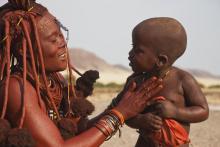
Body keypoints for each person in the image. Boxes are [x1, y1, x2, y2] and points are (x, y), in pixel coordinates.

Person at [0, 1, 163, 147]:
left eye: (60, 34)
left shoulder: (55, 81)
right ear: (24, 50)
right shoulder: (17, 88)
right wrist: (119, 114)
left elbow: (80, 131)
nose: (62, 43)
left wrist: (120, 104)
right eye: (53, 39)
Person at [109, 17, 209, 147]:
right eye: (132, 47)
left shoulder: (182, 79)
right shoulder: (135, 82)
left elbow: (203, 110)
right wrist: (140, 120)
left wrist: (175, 111)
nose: (130, 54)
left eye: (138, 50)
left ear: (161, 60)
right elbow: (122, 113)